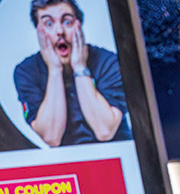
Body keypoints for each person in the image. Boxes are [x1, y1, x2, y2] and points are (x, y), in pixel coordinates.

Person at [13, 0, 131, 147]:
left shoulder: (109, 62)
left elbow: (105, 131)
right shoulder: (26, 71)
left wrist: (80, 67)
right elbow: (51, 137)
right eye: (49, 24)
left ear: (79, 25)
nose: (60, 31)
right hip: (69, 163)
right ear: (38, 31)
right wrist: (55, 70)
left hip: (117, 157)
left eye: (67, 22)